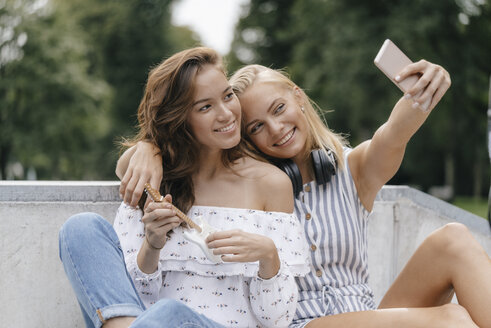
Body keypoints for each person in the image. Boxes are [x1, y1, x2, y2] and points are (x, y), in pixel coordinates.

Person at [119, 55, 491, 327]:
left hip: (370, 315)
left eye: (279, 108)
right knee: (451, 320)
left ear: (298, 96)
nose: (276, 128)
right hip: (302, 322)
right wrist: (147, 148)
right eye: (257, 127)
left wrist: (423, 90)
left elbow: (395, 131)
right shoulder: (256, 188)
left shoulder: (354, 170)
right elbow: (161, 159)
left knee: (454, 239)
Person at [59, 47, 309, 328]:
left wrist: (268, 256)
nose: (226, 113)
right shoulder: (154, 181)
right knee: (81, 228)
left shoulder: (270, 184)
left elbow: (278, 320)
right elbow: (131, 299)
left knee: (170, 312)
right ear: (180, 119)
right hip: (149, 322)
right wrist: (152, 245)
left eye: (228, 96)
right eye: (205, 107)